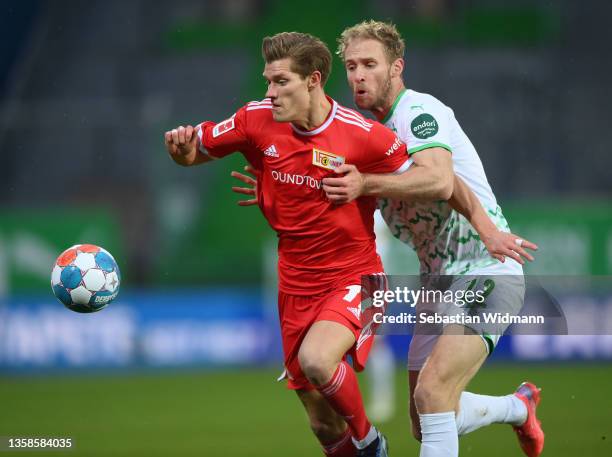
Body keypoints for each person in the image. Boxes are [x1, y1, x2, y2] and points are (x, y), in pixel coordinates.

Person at [232, 21, 544, 457]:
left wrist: (488, 229)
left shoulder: (419, 112)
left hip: (485, 268)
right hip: (436, 283)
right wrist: (275, 186)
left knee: (434, 393)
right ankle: (519, 407)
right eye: (352, 66)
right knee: (428, 417)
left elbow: (438, 178)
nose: (358, 75)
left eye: (370, 65)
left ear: (396, 67)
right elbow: (331, 186)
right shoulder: (360, 138)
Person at [164, 31, 415, 457]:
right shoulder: (255, 119)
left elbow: (422, 178)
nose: (270, 93)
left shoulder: (363, 135)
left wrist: (368, 183)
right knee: (320, 422)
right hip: (295, 285)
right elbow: (196, 151)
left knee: (319, 360)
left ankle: (372, 442)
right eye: (268, 81)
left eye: (281, 82)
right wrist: (181, 149)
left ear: (313, 80)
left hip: (355, 275)